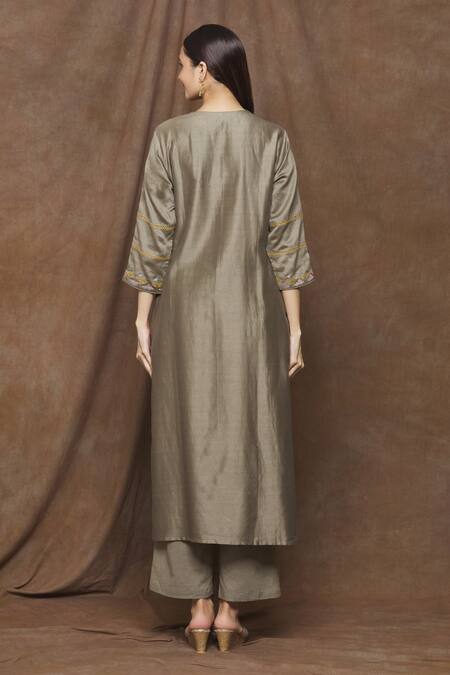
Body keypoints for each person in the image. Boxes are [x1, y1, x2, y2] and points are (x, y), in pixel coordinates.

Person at [121, 24, 317, 653]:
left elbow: (154, 235)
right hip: (253, 316)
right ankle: (232, 607)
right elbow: (286, 242)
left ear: (205, 70)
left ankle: (197, 604)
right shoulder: (271, 140)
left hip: (184, 316)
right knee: (249, 446)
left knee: (184, 447)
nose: (180, 76)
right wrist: (294, 328)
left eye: (183, 66)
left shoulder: (170, 138)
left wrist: (143, 316)